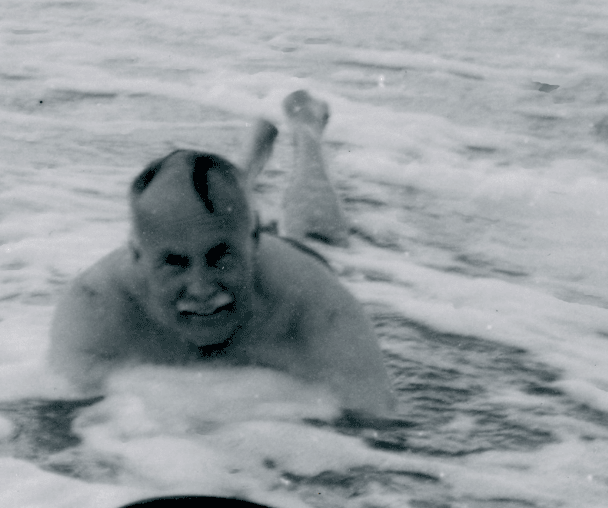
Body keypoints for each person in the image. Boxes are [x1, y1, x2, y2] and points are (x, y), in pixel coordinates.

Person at [47, 90, 396, 417]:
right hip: (231, 228)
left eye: (219, 257)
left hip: (284, 258)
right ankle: (243, 173)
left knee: (319, 237)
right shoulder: (95, 308)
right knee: (212, 213)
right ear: (136, 256)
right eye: (174, 263)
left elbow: (377, 431)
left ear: (256, 241)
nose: (200, 288)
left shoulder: (317, 305)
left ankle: (307, 133)